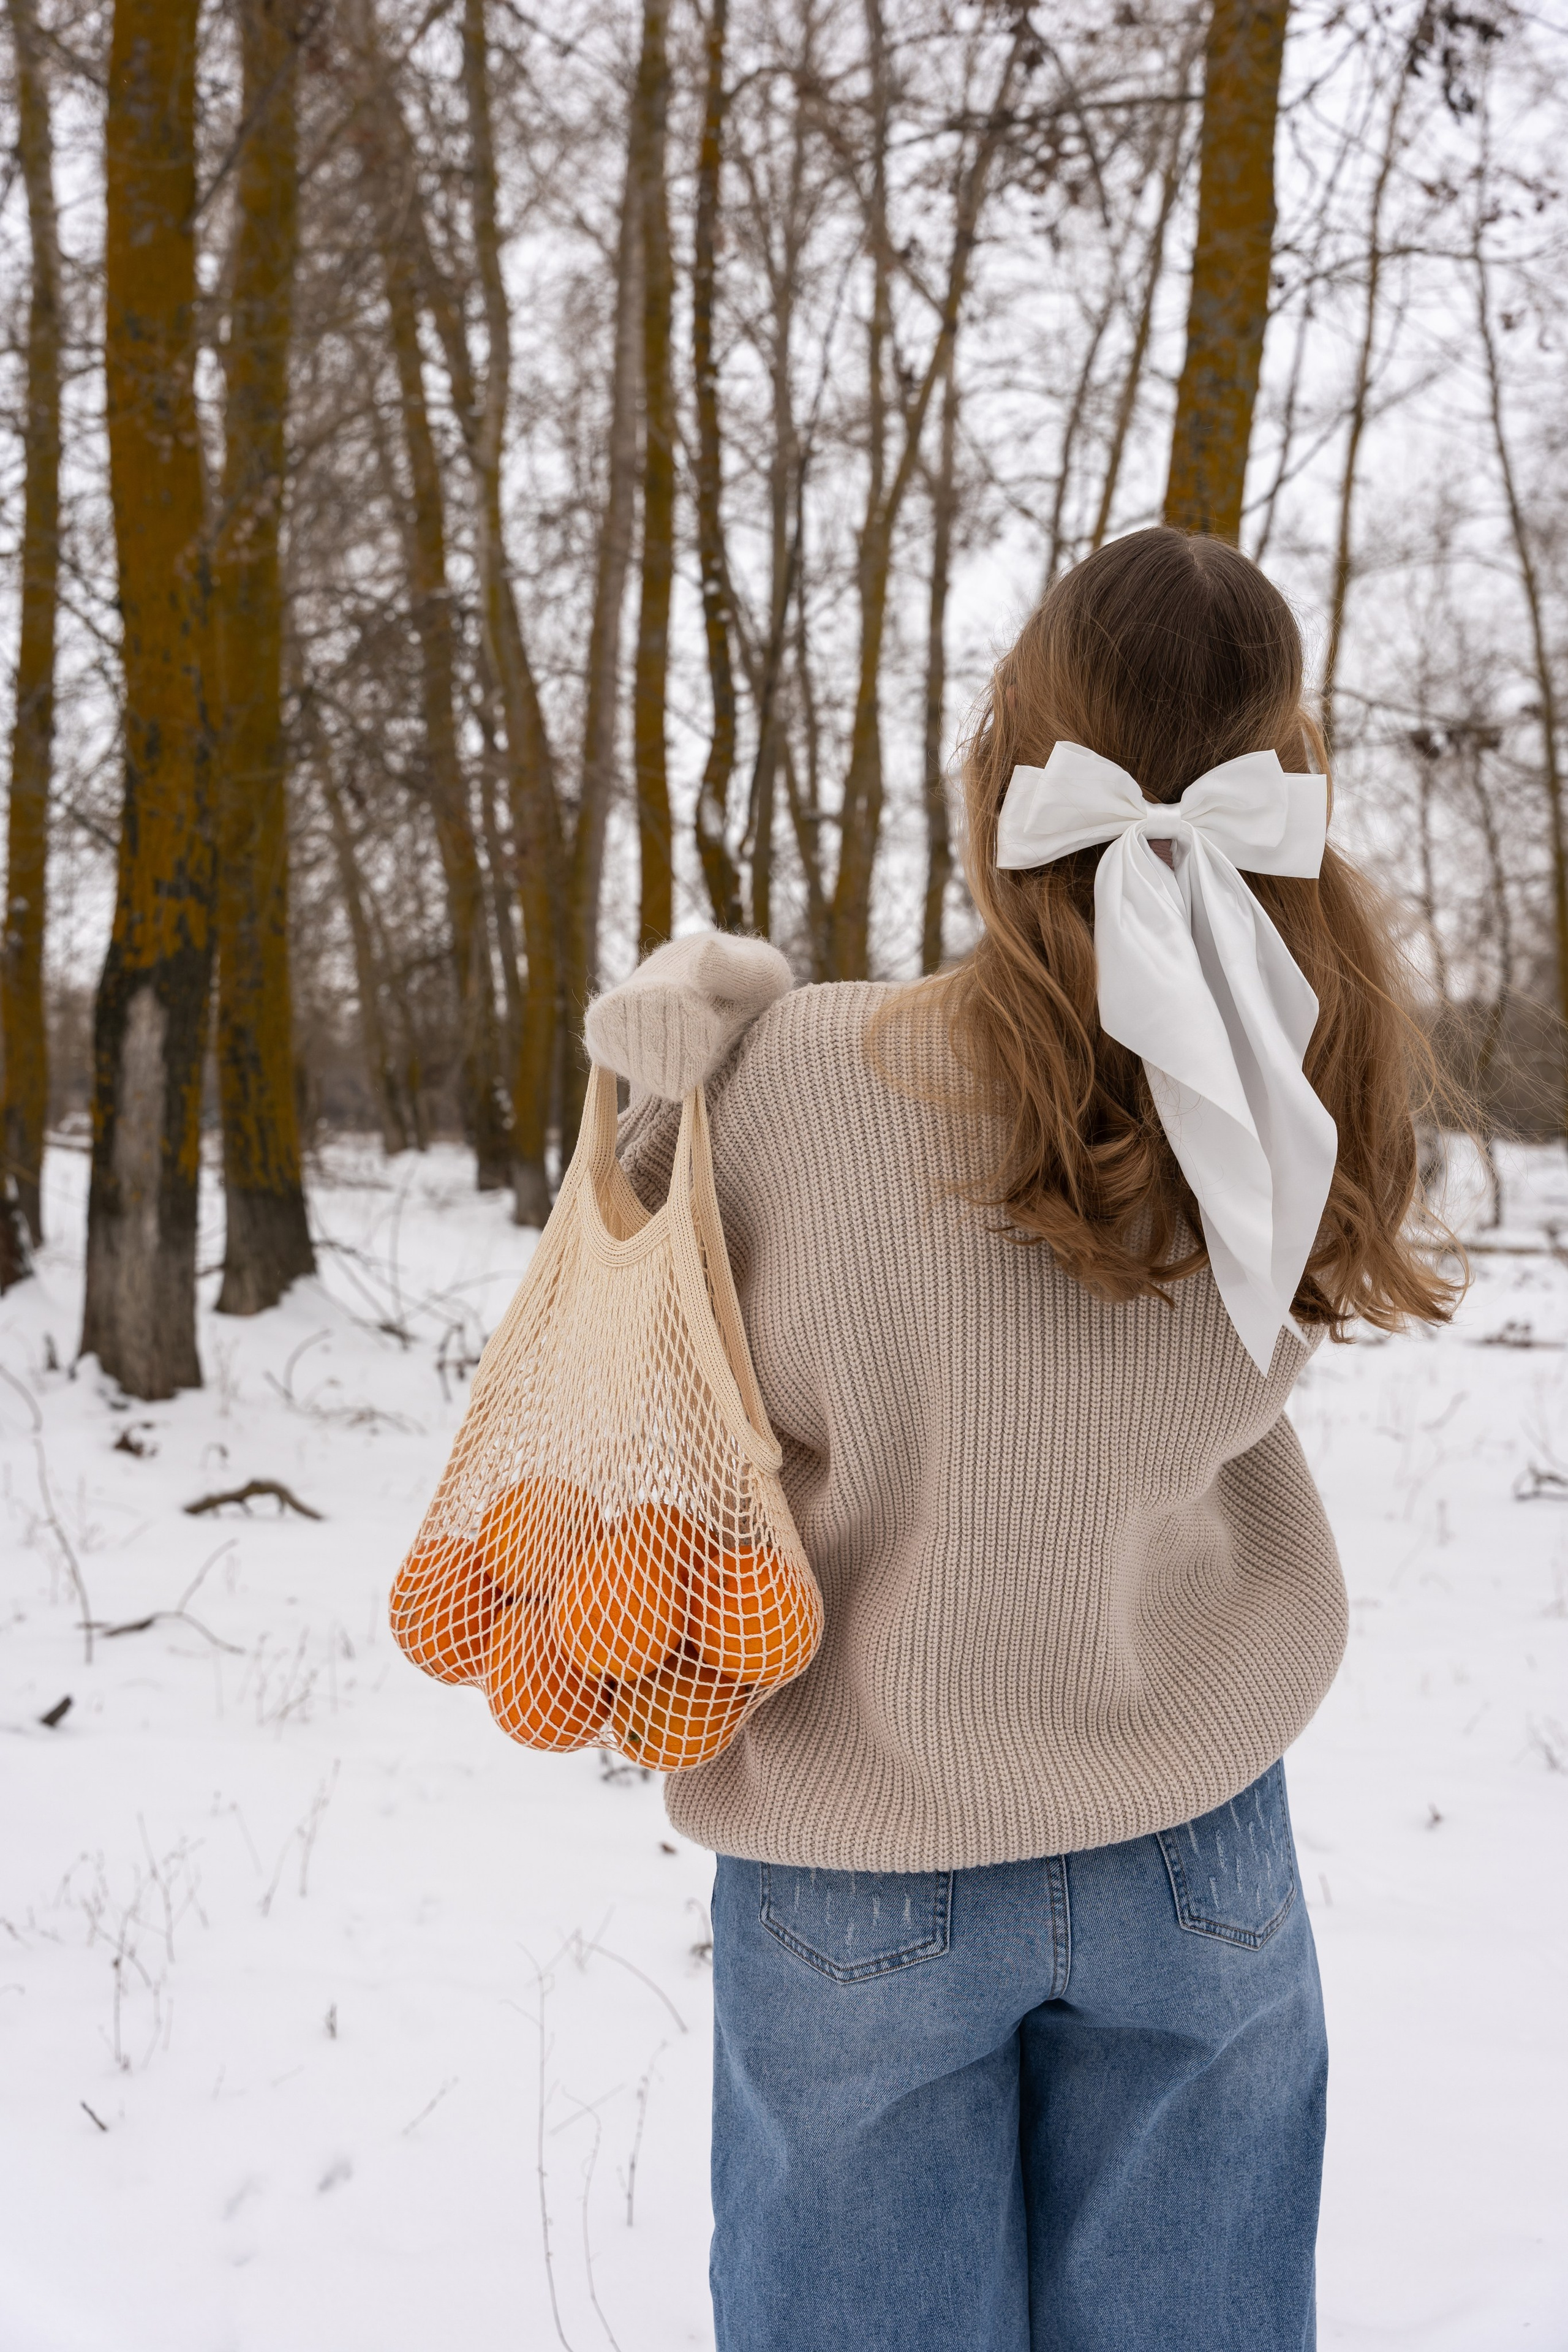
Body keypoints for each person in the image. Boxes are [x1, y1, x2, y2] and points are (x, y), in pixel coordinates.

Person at [586, 526, 1455, 2352]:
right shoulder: (1320, 1075)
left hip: (860, 1852)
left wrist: (684, 1036)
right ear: (1278, 790)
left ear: (1002, 778)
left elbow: (616, 1288)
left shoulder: (805, 1074)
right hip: (1192, 1845)